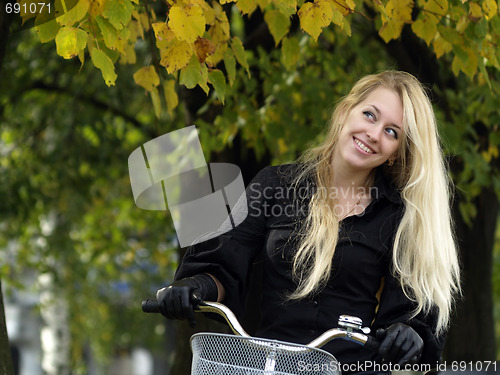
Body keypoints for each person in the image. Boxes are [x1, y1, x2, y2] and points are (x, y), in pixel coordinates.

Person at [155, 71, 461, 373]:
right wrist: (193, 287)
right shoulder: (275, 185)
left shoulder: (399, 218)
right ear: (344, 112)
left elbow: (414, 310)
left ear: (395, 154)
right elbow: (224, 265)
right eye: (369, 115)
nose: (374, 133)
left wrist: (409, 334)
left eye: (391, 131)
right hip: (268, 366)